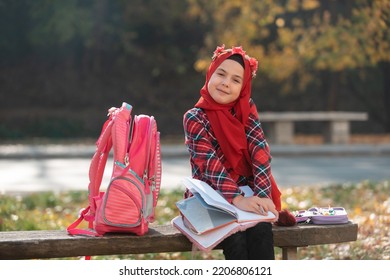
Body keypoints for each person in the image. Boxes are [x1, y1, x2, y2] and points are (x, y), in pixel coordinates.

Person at [182, 45, 282, 260]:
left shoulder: (246, 110)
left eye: (236, 80)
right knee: (235, 236)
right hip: (210, 197)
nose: (226, 83)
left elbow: (260, 153)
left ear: (243, 87)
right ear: (210, 74)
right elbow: (209, 164)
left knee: (260, 230)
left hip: (247, 194)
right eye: (221, 74)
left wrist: (263, 196)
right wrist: (236, 198)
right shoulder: (194, 117)